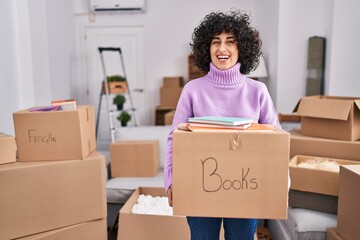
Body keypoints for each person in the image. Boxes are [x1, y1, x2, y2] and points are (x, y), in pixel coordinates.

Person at [164, 9, 281, 240]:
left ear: (242, 48)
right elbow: (174, 139)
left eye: (230, 42)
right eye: (215, 42)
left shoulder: (258, 92)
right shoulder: (192, 91)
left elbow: (276, 141)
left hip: (247, 189)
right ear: (206, 48)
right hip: (200, 186)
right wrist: (171, 180)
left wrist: (280, 182)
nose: (222, 49)